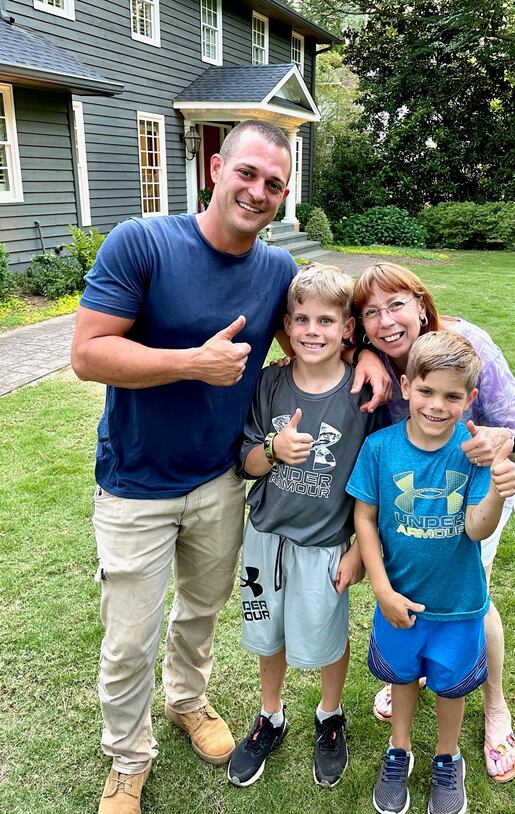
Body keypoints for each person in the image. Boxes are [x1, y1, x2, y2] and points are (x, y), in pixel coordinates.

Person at [70, 120, 389, 814]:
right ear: (217, 167)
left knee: (201, 614)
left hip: (221, 480)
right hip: (135, 483)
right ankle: (128, 762)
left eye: (274, 183)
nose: (258, 191)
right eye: (247, 173)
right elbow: (88, 352)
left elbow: (318, 326)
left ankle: (188, 702)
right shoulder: (144, 242)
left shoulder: (276, 271)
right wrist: (192, 363)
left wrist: (369, 352)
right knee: (129, 640)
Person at [353, 262, 515, 782]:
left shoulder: (465, 344)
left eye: (396, 304)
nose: (386, 320)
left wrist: (500, 441)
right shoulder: (374, 360)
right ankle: (415, 668)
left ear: (421, 304)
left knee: (470, 593)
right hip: (408, 496)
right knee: (417, 580)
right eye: (370, 313)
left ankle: (494, 707)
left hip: (478, 485)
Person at [347, 330, 515, 814]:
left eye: (452, 396)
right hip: (398, 600)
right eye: (426, 391)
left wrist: (496, 493)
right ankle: (397, 750)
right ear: (406, 387)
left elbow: (475, 530)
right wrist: (381, 588)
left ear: (471, 401)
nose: (437, 405)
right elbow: (364, 517)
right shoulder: (380, 449)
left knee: (450, 687)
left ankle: (449, 758)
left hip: (458, 605)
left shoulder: (473, 455)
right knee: (401, 678)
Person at [227, 264, 384, 790]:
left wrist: (361, 550)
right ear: (287, 327)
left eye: (325, 320)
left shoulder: (364, 395)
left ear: (347, 329)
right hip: (265, 538)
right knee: (265, 630)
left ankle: (330, 715)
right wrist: (274, 451)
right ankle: (271, 715)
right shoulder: (270, 382)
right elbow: (246, 459)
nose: (312, 330)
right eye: (301, 319)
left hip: (327, 544)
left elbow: (377, 482)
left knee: (326, 633)